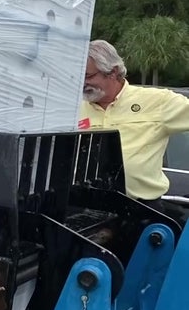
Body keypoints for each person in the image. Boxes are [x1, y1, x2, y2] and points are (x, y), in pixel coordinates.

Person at [78, 39, 189, 215]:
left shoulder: (158, 102)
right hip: (83, 211)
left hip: (140, 212)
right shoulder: (72, 108)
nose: (82, 83)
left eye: (88, 76)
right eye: (78, 76)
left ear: (113, 72)